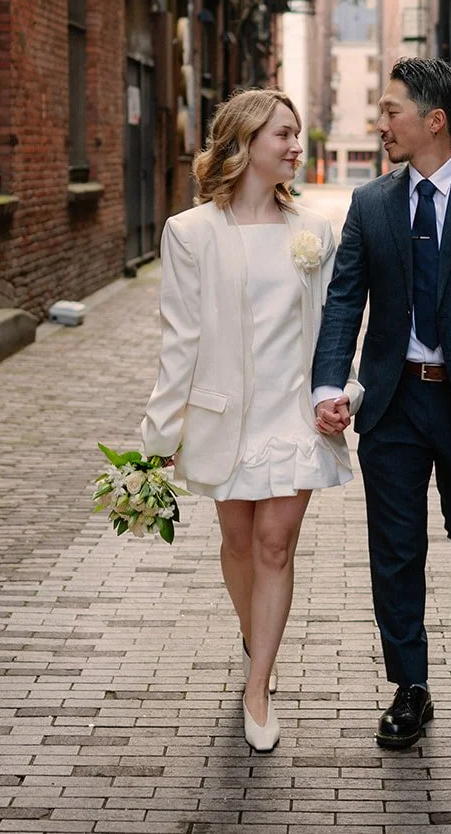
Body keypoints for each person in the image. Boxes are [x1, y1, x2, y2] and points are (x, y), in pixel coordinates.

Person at [311, 57, 451, 749]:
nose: (382, 123)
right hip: (393, 403)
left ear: (433, 120)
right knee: (395, 548)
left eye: (392, 111)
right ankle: (410, 686)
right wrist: (330, 384)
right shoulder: (371, 203)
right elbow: (345, 297)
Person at [140, 88, 362, 753]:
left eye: (297, 135)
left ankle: (257, 685)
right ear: (244, 143)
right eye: (284, 135)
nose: (297, 146)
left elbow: (335, 329)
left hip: (295, 412)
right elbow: (179, 339)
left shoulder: (314, 233)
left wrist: (341, 392)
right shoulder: (190, 232)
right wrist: (158, 439)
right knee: (238, 545)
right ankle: (252, 630)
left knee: (274, 544)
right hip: (224, 417)